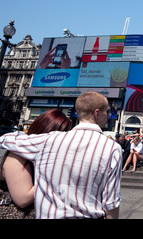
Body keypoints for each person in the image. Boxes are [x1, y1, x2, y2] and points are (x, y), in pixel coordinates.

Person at [0, 91, 123, 219]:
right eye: (107, 111)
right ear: (96, 113)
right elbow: (111, 202)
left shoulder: (49, 140)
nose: (108, 115)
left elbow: (6, 139)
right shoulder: (112, 148)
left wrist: (25, 136)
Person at [0, 109, 72, 219]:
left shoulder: (47, 153)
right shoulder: (18, 155)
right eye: (62, 135)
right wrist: (56, 175)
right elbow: (23, 199)